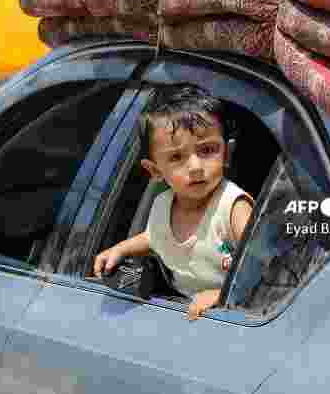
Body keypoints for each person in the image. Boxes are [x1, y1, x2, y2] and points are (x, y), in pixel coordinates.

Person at [93, 84, 254, 320]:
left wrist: (224, 293)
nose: (196, 167)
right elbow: (156, 236)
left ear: (226, 154)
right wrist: (121, 249)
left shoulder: (233, 208)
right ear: (155, 170)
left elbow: (267, 269)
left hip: (233, 314)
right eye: (177, 157)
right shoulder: (162, 205)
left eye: (207, 150)